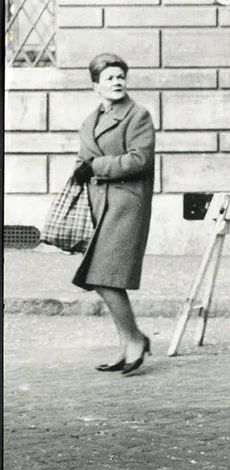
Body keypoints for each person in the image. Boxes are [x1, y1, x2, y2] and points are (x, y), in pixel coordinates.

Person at [71, 52, 157, 376]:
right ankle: (129, 343)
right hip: (100, 205)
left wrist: (95, 167)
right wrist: (84, 169)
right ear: (96, 85)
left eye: (121, 76)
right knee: (103, 278)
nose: (117, 81)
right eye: (109, 77)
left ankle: (134, 340)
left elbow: (139, 161)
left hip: (127, 206)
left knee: (105, 278)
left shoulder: (138, 116)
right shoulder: (89, 120)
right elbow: (85, 159)